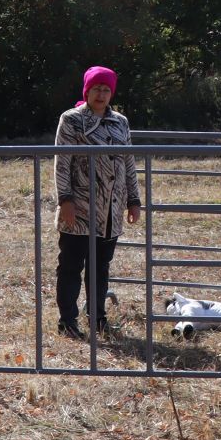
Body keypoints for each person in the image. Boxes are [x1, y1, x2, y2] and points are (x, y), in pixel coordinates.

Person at [53, 65, 142, 340]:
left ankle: (98, 317)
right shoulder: (71, 120)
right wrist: (65, 200)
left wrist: (133, 199)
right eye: (96, 88)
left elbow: (128, 162)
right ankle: (68, 321)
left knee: (100, 266)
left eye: (106, 89)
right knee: (71, 266)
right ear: (87, 90)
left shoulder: (121, 122)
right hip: (78, 207)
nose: (101, 94)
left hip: (111, 211)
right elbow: (62, 161)